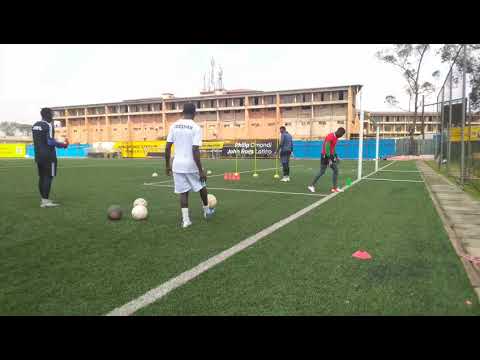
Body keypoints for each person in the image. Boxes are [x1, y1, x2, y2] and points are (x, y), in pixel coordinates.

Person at [165, 103, 215, 229]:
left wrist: (167, 165)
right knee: (202, 185)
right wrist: (200, 170)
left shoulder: (174, 126)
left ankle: (186, 221)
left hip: (177, 164)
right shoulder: (195, 127)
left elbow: (167, 147)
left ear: (182, 112)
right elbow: (195, 149)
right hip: (191, 164)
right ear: (194, 113)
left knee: (183, 193)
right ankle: (206, 210)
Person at [32, 108, 69, 208]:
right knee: (48, 177)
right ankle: (45, 202)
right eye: (52, 114)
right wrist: (63, 145)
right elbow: (50, 142)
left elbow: (43, 140)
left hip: (38, 155)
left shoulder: (35, 125)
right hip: (49, 156)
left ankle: (44, 199)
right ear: (48, 115)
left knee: (42, 177)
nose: (53, 116)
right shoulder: (48, 125)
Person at [308, 127, 345, 193]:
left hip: (330, 156)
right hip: (325, 156)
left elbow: (333, 148)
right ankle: (311, 185)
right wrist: (330, 159)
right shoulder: (330, 136)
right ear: (338, 132)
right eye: (341, 134)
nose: (341, 136)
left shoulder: (336, 138)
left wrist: (336, 157)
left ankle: (334, 188)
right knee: (323, 171)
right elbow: (326, 148)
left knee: (335, 170)